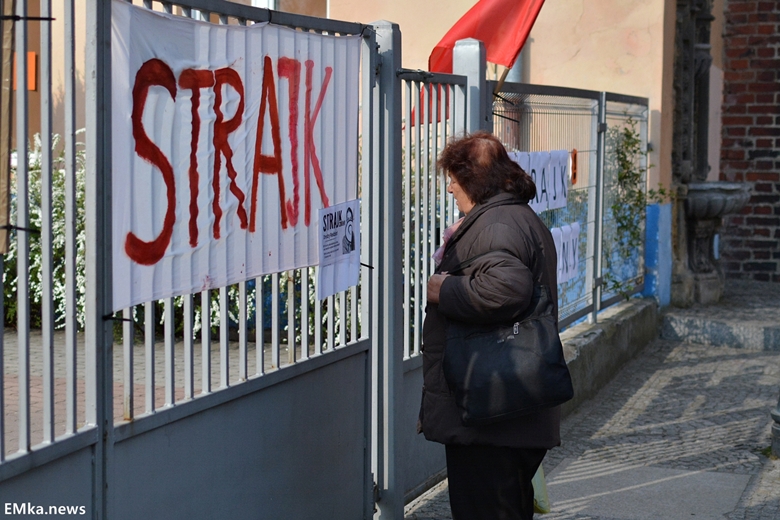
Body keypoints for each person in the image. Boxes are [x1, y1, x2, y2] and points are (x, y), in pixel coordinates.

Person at [419, 131, 561, 520]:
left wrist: (444, 289)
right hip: (505, 405)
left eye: (452, 177)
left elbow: (506, 290)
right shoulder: (510, 215)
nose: (449, 188)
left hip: (491, 410)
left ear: (473, 180)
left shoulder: (497, 224)